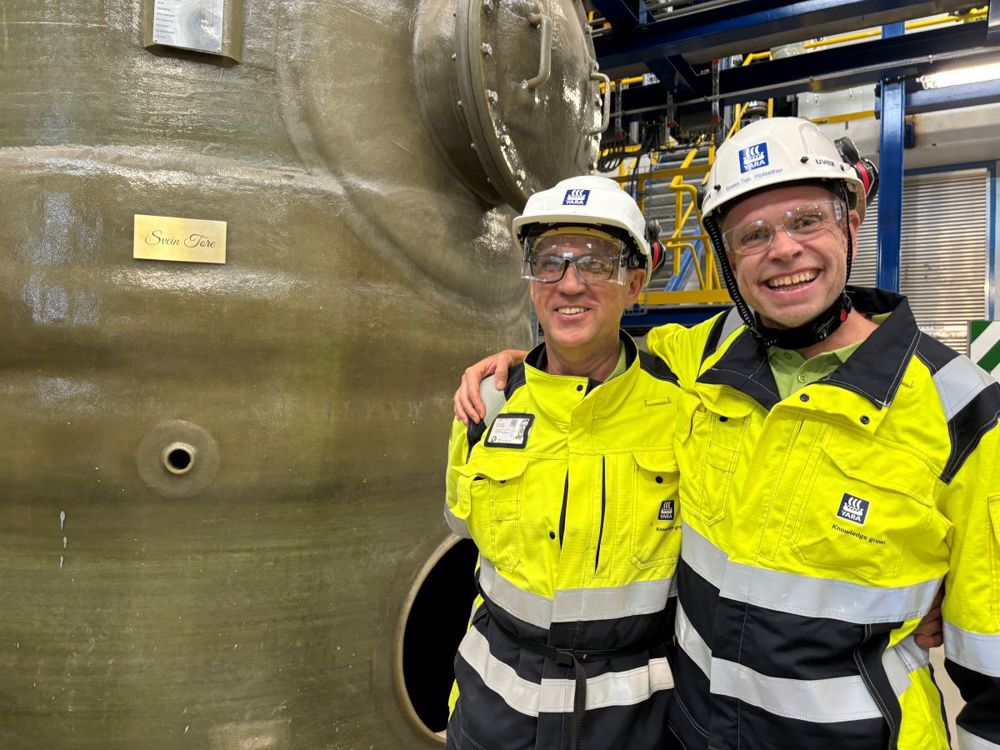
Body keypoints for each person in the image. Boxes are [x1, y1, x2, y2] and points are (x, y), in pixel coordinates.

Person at [454, 117, 996, 750]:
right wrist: (522, 364)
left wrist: (929, 599)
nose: (783, 250)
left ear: (851, 222)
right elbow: (592, 350)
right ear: (730, 259)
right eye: (753, 235)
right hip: (690, 734)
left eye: (805, 221)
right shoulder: (699, 361)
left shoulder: (959, 410)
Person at [443, 175, 682, 750]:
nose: (569, 283)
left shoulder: (683, 407)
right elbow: (463, 530)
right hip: (492, 718)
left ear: (636, 282)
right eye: (550, 262)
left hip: (632, 725)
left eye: (597, 263)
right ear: (531, 283)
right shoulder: (487, 405)